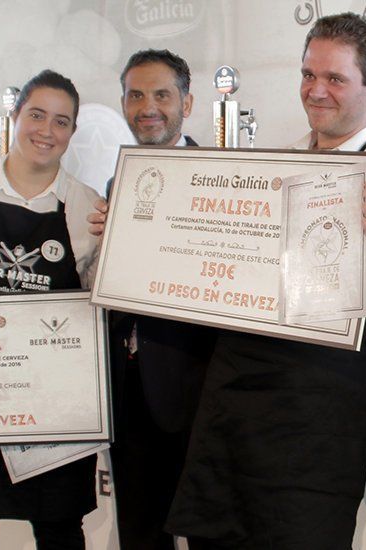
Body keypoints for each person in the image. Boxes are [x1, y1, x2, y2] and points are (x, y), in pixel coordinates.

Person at [166, 13, 366, 549]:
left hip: (318, 417)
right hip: (233, 398)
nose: (316, 91)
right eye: (308, 74)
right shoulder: (273, 164)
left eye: (335, 78)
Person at [87, 49, 215, 550]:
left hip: (197, 389)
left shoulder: (222, 174)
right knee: (140, 534)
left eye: (161, 94)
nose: (148, 106)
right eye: (135, 94)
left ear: (187, 101)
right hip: (131, 388)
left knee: (208, 534)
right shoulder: (119, 179)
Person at [0, 70, 101, 550]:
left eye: (61, 122)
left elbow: (101, 308)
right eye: (36, 115)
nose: (46, 131)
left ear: (72, 133)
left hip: (58, 409)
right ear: (15, 116)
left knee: (59, 529)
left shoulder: (90, 210)